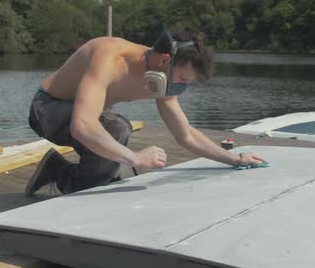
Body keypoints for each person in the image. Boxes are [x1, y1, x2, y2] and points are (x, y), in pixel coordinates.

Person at [26, 29, 266, 195]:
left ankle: (82, 173)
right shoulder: (110, 59)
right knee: (117, 129)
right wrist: (136, 158)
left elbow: (185, 134)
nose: (181, 87)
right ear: (165, 60)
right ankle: (58, 172)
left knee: (116, 150)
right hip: (46, 109)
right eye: (183, 79)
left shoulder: (163, 79)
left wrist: (234, 159)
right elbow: (83, 126)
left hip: (82, 115)